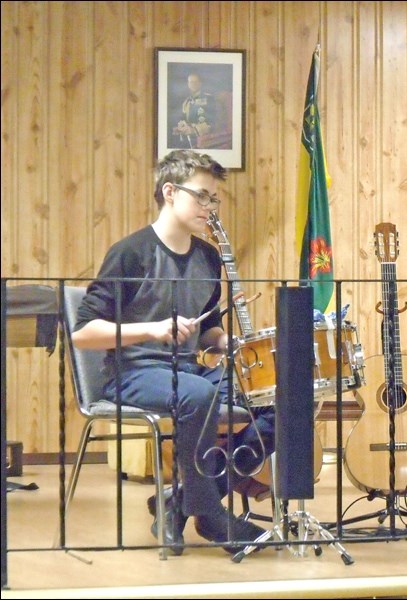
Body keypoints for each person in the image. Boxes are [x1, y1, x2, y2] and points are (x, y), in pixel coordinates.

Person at [72, 149, 274, 555]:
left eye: (213, 198)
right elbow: (83, 333)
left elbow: (206, 327)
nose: (209, 207)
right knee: (197, 395)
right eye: (201, 195)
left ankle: (182, 500)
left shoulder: (208, 257)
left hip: (188, 372)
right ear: (169, 191)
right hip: (133, 373)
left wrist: (223, 342)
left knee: (277, 392)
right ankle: (212, 516)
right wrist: (152, 329)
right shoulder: (130, 253)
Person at [172, 72, 217, 149]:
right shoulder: (186, 102)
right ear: (188, 84)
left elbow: (213, 122)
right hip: (188, 138)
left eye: (196, 82)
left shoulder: (209, 99)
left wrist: (194, 130)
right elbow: (183, 119)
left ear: (200, 83)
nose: (193, 84)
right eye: (191, 82)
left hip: (204, 138)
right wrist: (181, 127)